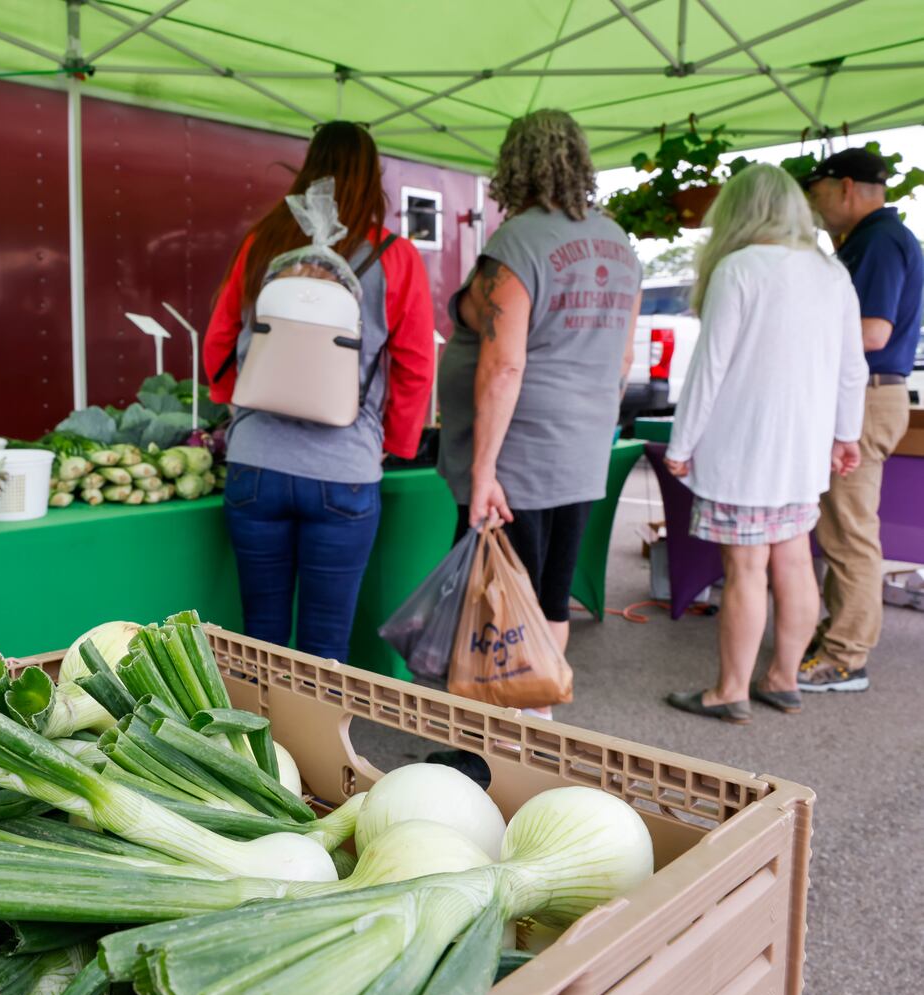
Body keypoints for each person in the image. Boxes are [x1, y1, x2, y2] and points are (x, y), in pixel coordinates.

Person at [204, 121, 435, 662]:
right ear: (371, 178)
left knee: (260, 637)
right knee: (325, 647)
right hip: (344, 468)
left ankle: (256, 745)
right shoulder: (395, 256)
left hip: (255, 462)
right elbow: (416, 365)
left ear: (310, 169)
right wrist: (394, 443)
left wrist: (243, 398)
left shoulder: (264, 242)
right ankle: (315, 747)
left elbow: (218, 340)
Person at [437, 109, 641, 672]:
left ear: (514, 166)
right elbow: (623, 357)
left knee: (498, 594)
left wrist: (483, 473)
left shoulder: (519, 242)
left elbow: (503, 365)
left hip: (517, 458)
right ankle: (536, 718)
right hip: (580, 450)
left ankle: (489, 745)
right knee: (551, 594)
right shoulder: (618, 243)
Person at [662, 165, 867, 723]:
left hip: (742, 451)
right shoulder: (831, 274)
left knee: (747, 569)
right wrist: (846, 435)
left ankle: (729, 690)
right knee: (797, 562)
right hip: (802, 450)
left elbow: (709, 371)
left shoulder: (739, 269)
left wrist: (681, 442)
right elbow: (853, 368)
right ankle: (783, 680)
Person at [799, 147, 924, 693]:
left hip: (867, 396)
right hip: (871, 395)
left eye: (817, 190)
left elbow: (872, 332)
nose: (813, 202)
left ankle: (846, 656)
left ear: (844, 186)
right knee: (843, 526)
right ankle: (838, 636)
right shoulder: (877, 239)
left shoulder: (876, 241)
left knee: (849, 530)